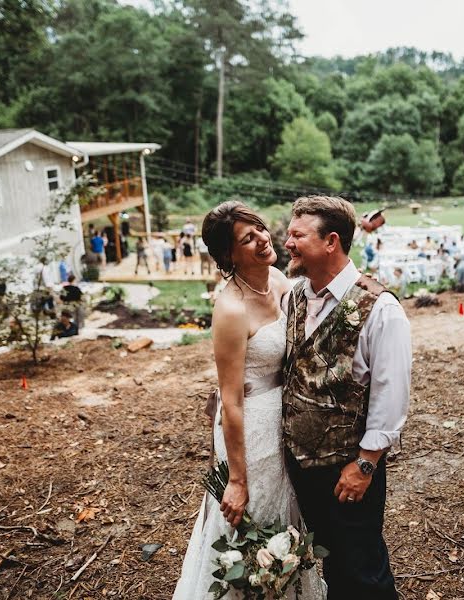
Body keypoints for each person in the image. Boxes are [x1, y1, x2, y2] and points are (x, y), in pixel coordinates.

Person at [173, 202, 325, 599]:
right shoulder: (230, 309)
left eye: (259, 229)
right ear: (228, 256)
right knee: (253, 518)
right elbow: (231, 401)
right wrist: (236, 480)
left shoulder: (277, 279)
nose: (261, 238)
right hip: (251, 431)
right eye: (247, 238)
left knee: (289, 515)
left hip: (286, 417)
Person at [282, 195, 411, 599]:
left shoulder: (381, 309)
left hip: (348, 469)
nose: (287, 243)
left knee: (364, 569)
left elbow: (392, 395)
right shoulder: (297, 295)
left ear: (330, 242)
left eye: (297, 235)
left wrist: (366, 464)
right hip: (301, 467)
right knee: (333, 563)